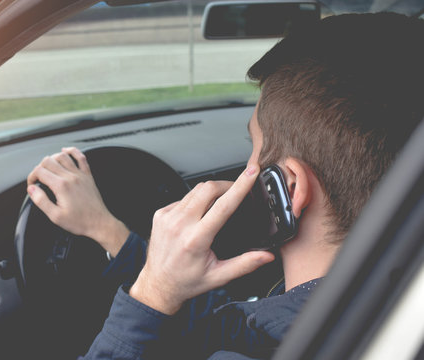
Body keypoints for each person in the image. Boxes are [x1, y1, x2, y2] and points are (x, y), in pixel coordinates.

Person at [26, 13, 424, 360]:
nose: (243, 170)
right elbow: (234, 325)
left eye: (252, 148)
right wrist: (107, 232)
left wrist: (151, 293)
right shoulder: (387, 295)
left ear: (287, 186)